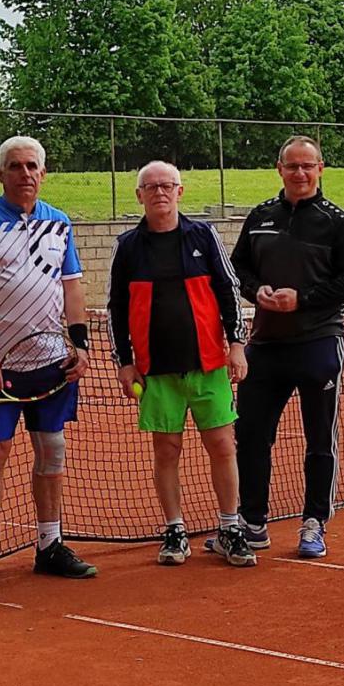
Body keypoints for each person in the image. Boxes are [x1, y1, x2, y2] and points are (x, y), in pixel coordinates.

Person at [0, 135, 96, 591]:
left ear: (44, 173)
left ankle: (49, 544)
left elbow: (72, 286)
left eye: (33, 166)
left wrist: (80, 343)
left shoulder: (61, 224)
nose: (25, 173)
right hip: (0, 367)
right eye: (15, 166)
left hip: (54, 364)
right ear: (1, 174)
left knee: (52, 451)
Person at [107, 161, 255, 567]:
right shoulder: (128, 245)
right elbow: (115, 308)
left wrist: (237, 345)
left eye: (167, 186)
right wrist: (124, 362)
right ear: (139, 196)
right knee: (167, 449)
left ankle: (230, 527)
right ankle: (174, 529)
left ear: (180, 191)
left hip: (209, 365)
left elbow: (229, 291)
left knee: (222, 445)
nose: (159, 193)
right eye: (150, 187)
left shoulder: (203, 236)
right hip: (156, 372)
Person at [230, 135, 344, 559]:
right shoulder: (259, 217)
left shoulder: (337, 222)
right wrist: (259, 292)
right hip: (266, 345)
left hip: (319, 342)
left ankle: (314, 522)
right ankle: (252, 524)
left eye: (308, 166)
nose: (300, 173)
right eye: (293, 166)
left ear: (321, 169)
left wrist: (302, 299)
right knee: (250, 435)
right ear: (279, 169)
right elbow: (237, 270)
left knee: (318, 438)